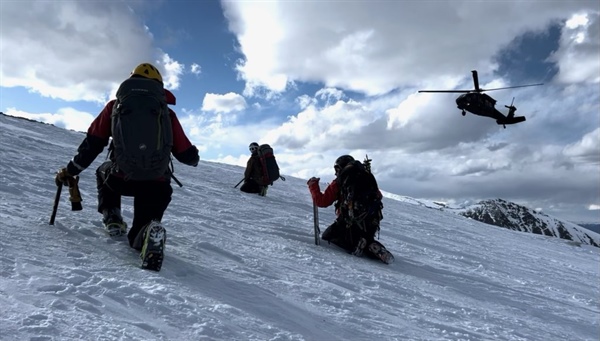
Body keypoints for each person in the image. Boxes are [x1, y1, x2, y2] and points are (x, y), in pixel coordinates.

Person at [55, 63, 199, 271]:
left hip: (120, 178)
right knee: (146, 219)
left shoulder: (115, 106)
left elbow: (93, 144)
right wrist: (194, 158)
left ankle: (112, 215)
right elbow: (185, 154)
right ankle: (146, 233)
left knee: (102, 170)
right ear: (159, 86)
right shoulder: (166, 113)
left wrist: (71, 170)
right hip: (156, 184)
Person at [307, 155, 393, 264]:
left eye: (336, 169)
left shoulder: (341, 180)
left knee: (328, 236)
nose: (335, 172)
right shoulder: (367, 176)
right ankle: (370, 244)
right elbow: (378, 196)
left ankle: (358, 243)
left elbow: (322, 201)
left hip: (350, 222)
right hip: (371, 222)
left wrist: (313, 186)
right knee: (365, 238)